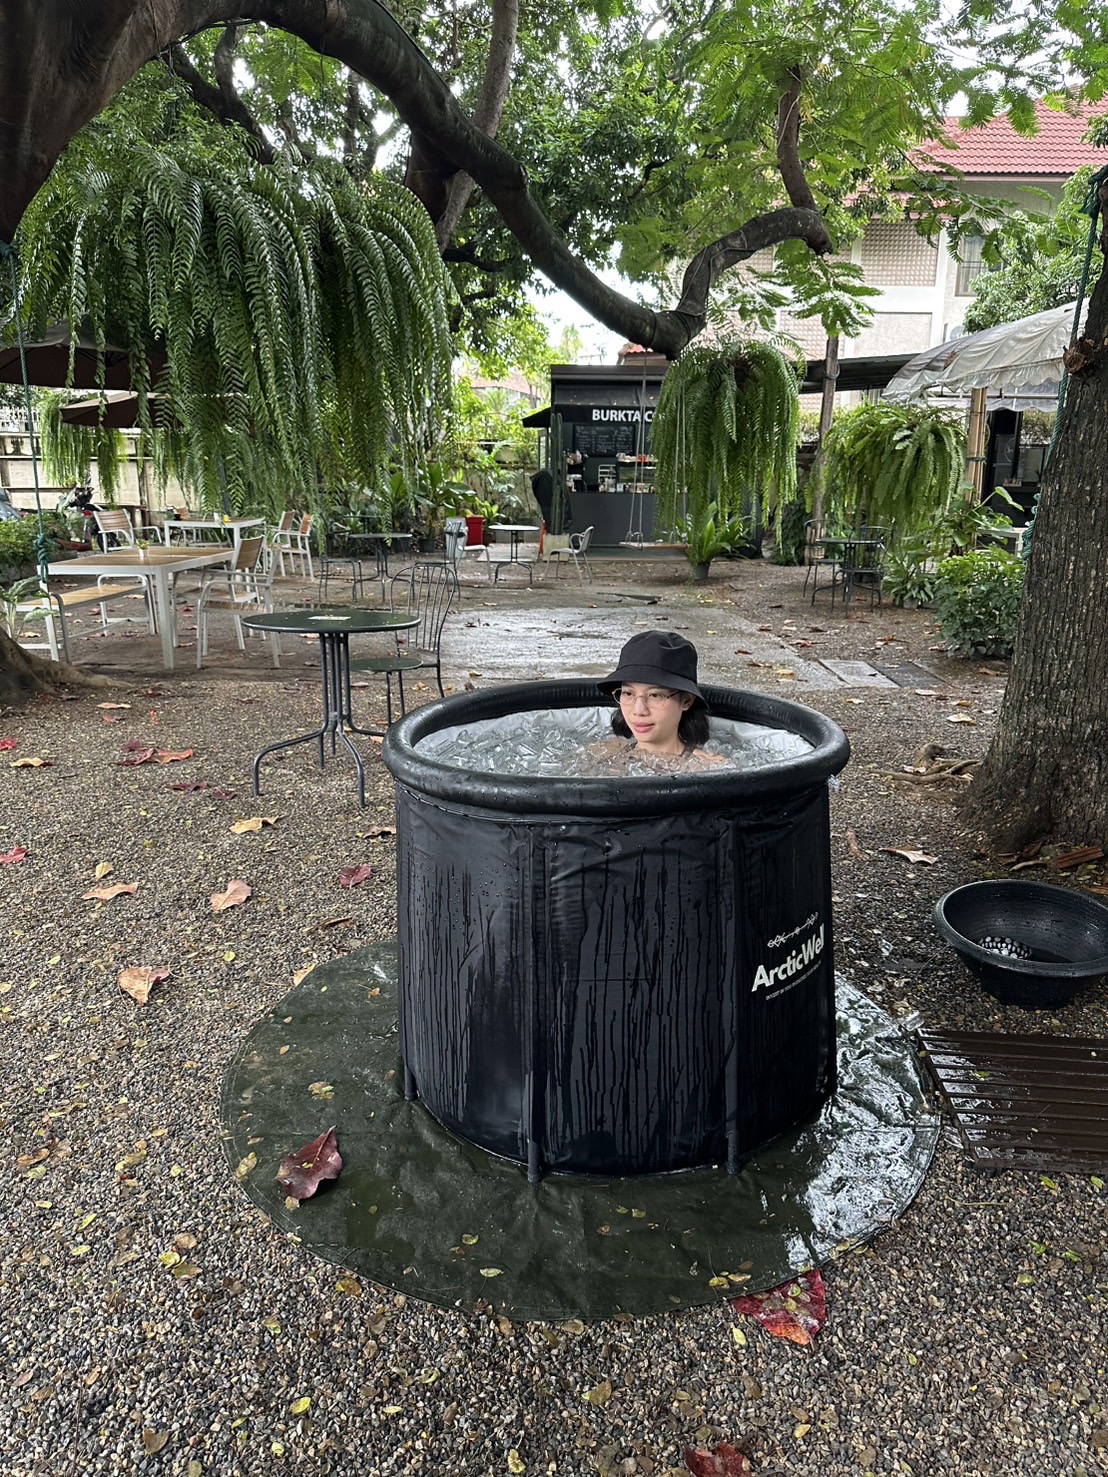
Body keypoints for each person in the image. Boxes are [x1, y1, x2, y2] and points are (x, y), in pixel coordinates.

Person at [592, 630, 725, 772]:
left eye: (655, 695)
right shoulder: (605, 752)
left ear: (686, 700)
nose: (639, 710)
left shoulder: (709, 768)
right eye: (628, 693)